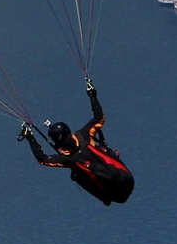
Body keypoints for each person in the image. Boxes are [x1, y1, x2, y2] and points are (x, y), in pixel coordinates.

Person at [20, 78, 134, 206]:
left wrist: (30, 137)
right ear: (69, 131)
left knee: (78, 175)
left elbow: (42, 159)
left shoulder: (69, 159)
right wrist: (92, 95)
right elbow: (99, 117)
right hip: (126, 178)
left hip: (115, 194)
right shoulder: (83, 135)